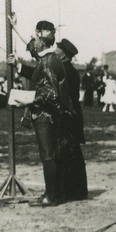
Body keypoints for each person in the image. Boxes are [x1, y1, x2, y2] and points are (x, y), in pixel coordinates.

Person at [14, 20, 73, 207]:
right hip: (52, 115)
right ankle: (54, 194)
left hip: (46, 115)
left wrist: (24, 99)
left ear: (41, 39)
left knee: (48, 155)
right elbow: (31, 49)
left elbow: (50, 94)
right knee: (52, 155)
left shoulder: (47, 62)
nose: (33, 42)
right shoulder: (49, 58)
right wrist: (16, 27)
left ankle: (51, 196)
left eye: (36, 38)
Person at [56, 38, 88, 202]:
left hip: (68, 116)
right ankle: (77, 191)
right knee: (72, 153)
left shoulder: (65, 71)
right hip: (72, 115)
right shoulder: (69, 70)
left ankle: (71, 192)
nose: (54, 52)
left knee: (68, 152)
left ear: (63, 55)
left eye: (57, 50)